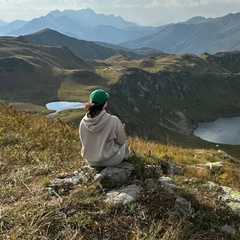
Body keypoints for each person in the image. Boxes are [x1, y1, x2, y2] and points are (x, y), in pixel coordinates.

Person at [79, 89, 130, 167]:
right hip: (111, 160)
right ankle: (126, 158)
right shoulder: (113, 120)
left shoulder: (83, 121)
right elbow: (121, 141)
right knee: (124, 144)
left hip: (91, 161)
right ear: (105, 104)